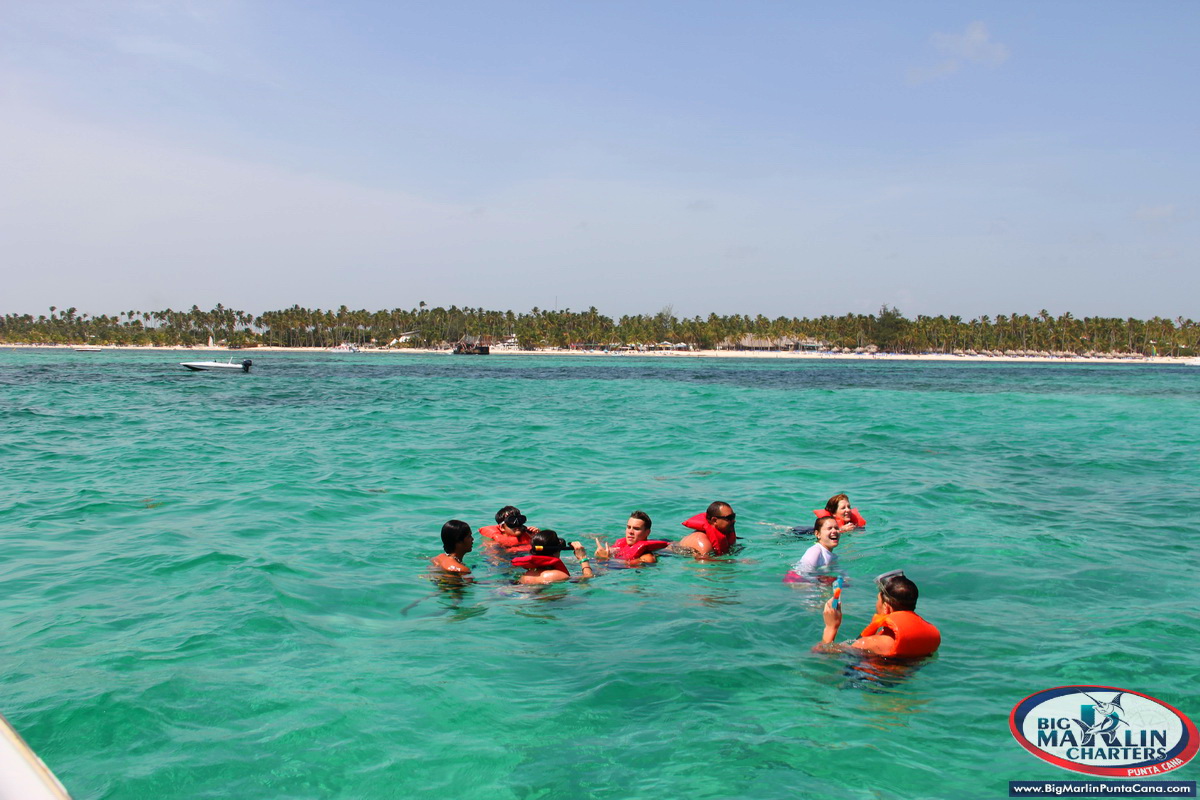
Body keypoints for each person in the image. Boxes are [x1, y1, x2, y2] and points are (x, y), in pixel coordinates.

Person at [816, 570, 941, 657]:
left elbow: (822, 654)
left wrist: (831, 627)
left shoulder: (870, 644)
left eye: (878, 600)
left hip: (868, 685)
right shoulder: (929, 638)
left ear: (886, 608)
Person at [513, 530, 594, 584]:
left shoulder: (527, 574)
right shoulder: (555, 575)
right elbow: (587, 579)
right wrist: (583, 558)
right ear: (556, 550)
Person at [594, 511, 669, 564]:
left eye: (636, 528)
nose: (630, 532)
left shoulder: (647, 557)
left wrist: (605, 558)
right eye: (629, 527)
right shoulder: (620, 546)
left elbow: (625, 565)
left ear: (647, 532)